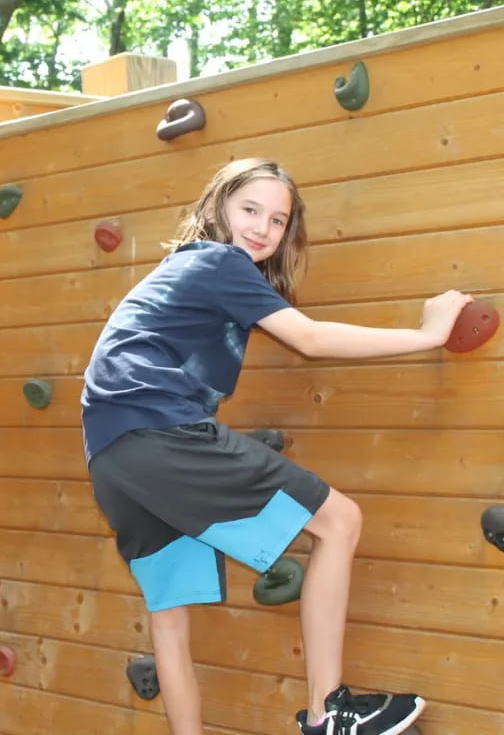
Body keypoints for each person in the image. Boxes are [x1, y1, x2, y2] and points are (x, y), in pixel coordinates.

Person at [81, 158, 468, 735]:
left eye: (278, 220)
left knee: (168, 618)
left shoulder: (180, 271)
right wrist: (427, 334)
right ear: (217, 209)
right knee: (339, 521)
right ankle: (327, 711)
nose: (262, 228)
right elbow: (309, 339)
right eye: (250, 210)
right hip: (158, 430)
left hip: (111, 454)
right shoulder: (219, 261)